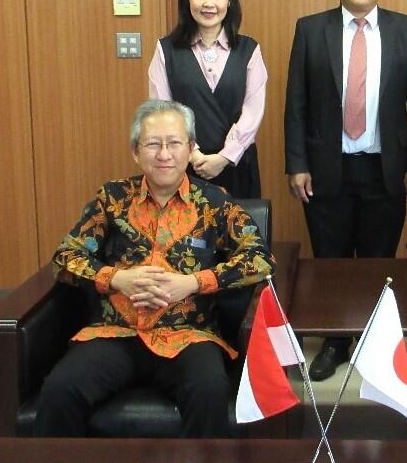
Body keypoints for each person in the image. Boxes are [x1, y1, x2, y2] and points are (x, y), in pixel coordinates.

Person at [34, 100, 275, 437]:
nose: (164, 154)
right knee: (61, 389)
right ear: (136, 151)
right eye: (153, 144)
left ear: (190, 148)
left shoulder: (216, 203)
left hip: (189, 334)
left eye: (174, 143)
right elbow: (66, 256)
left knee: (209, 390)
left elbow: (260, 258)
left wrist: (193, 283)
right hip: (117, 332)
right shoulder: (112, 198)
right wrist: (117, 278)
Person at [284, 0, 407, 381]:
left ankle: (372, 345)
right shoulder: (311, 29)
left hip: (386, 167)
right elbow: (296, 103)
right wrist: (297, 163)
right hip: (326, 166)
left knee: (378, 262)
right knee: (330, 260)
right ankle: (335, 341)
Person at [149, 0, 266, 198]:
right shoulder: (166, 50)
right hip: (183, 165)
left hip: (237, 164)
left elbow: (252, 112)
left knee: (239, 222)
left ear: (229, 0)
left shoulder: (249, 49)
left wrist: (224, 157)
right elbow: (162, 110)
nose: (209, 3)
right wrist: (194, 155)